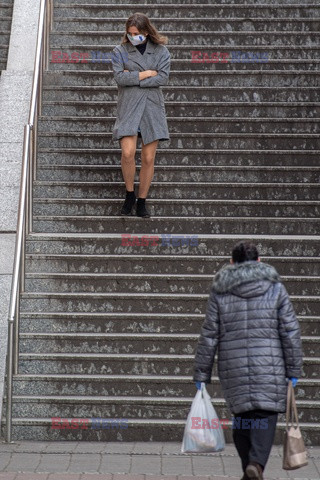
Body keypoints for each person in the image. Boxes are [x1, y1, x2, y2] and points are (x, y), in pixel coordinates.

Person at [193, 241, 303, 480]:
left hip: (234, 368)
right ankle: (256, 463)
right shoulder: (275, 288)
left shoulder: (220, 290)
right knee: (264, 416)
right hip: (270, 366)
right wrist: (294, 369)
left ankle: (249, 470)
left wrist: (202, 373)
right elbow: (290, 330)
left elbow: (209, 334)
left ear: (232, 263)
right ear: (259, 262)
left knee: (242, 418)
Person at [112, 13, 170, 218]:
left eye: (135, 34)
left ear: (145, 32)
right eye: (129, 33)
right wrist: (145, 74)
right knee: (127, 153)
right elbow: (119, 77)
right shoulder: (120, 51)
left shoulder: (161, 51)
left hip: (151, 107)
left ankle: (142, 200)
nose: (131, 37)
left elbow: (163, 77)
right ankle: (129, 194)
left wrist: (133, 77)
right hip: (128, 106)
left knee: (148, 157)